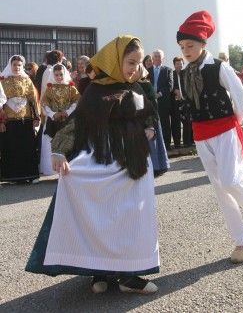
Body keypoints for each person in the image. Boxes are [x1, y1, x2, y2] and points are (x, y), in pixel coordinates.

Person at [26, 36, 159, 295]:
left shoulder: (137, 86)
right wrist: (59, 152)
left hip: (133, 161)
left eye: (137, 63)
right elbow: (77, 122)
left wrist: (150, 126)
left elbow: (148, 112)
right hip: (103, 157)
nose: (134, 67)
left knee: (130, 216)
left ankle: (128, 275)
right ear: (115, 59)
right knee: (100, 215)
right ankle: (99, 271)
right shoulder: (96, 90)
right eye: (130, 62)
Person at [176, 11, 243, 264]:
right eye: (183, 46)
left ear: (202, 44)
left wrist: (235, 125)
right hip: (201, 135)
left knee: (231, 181)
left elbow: (240, 97)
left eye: (191, 45)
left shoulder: (219, 67)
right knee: (221, 189)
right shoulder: (184, 71)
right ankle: (241, 241)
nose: (186, 50)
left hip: (225, 130)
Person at [0, 55, 40, 183]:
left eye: (19, 65)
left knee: (27, 147)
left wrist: (36, 117)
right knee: (11, 147)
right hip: (9, 119)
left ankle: (31, 175)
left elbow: (33, 99)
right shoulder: (3, 80)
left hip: (25, 118)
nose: (17, 67)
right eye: (14, 65)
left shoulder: (27, 80)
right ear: (10, 66)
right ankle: (12, 176)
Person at [40, 64, 80, 175]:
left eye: (61, 74)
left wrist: (67, 112)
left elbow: (76, 101)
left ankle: (68, 169)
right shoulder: (50, 88)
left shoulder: (71, 87)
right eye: (56, 75)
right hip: (54, 121)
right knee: (53, 141)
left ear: (65, 74)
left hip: (68, 120)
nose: (58, 77)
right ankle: (54, 169)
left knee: (67, 142)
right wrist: (53, 114)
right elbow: (44, 103)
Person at [135, 64, 170, 176]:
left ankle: (158, 166)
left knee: (153, 142)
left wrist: (151, 119)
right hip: (138, 117)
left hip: (150, 116)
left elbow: (152, 102)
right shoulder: (131, 84)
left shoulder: (146, 84)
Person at [148, 50, 173, 149]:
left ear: (162, 58)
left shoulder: (168, 70)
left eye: (159, 56)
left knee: (165, 123)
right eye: (156, 56)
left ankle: (166, 144)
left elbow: (169, 86)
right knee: (152, 122)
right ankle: (153, 145)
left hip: (163, 101)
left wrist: (159, 94)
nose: (157, 58)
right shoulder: (147, 70)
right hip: (150, 101)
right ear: (152, 58)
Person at [170, 57, 193, 147]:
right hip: (175, 102)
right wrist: (174, 91)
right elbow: (169, 86)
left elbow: (191, 86)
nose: (179, 65)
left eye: (180, 63)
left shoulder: (186, 74)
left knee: (187, 122)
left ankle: (187, 142)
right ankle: (177, 143)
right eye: (177, 64)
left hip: (186, 101)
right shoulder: (171, 74)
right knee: (176, 123)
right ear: (174, 65)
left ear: (183, 64)